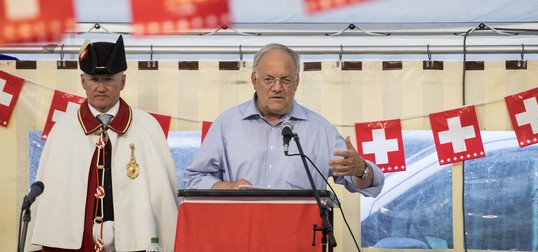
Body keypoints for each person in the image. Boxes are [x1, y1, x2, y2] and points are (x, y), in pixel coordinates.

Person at [28, 35, 179, 252]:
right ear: (83, 82)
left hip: (135, 242)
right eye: (94, 79)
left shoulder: (147, 126)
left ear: (122, 81)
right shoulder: (63, 130)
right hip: (75, 244)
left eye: (108, 79)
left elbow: (163, 197)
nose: (101, 87)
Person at [183, 43, 385, 197]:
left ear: (296, 82)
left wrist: (362, 170)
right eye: (269, 79)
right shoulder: (226, 125)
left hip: (301, 238)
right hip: (242, 235)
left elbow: (371, 184)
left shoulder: (320, 130)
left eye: (286, 80)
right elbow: (194, 179)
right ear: (255, 80)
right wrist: (229, 187)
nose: (277, 87)